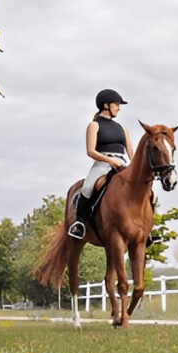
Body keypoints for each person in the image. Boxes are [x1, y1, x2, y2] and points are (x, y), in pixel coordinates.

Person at [68, 88, 135, 240]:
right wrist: (110, 161)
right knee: (87, 187)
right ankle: (79, 223)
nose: (119, 108)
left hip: (122, 164)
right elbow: (90, 151)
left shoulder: (122, 128)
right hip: (102, 163)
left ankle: (147, 229)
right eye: (117, 104)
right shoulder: (94, 125)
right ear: (106, 105)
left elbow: (130, 151)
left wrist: (135, 166)